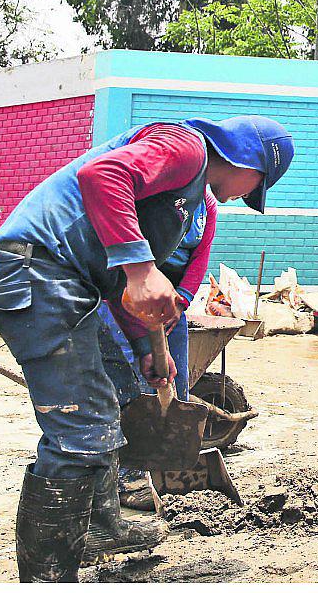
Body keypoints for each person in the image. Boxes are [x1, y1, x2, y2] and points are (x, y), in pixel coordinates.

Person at [0, 115, 292, 581]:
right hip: (38, 273)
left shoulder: (190, 192)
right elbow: (101, 175)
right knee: (81, 430)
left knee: (114, 403)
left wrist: (148, 344)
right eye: (255, 187)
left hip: (68, 283)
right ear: (249, 160)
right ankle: (47, 578)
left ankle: (101, 526)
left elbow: (118, 287)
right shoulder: (187, 149)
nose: (246, 197)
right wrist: (141, 267)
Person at [101, 186, 218, 511]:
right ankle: (128, 476)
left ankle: (166, 468)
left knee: (175, 388)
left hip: (173, 302)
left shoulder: (207, 207)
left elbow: (200, 258)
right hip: (129, 294)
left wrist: (179, 302)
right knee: (134, 386)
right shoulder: (159, 200)